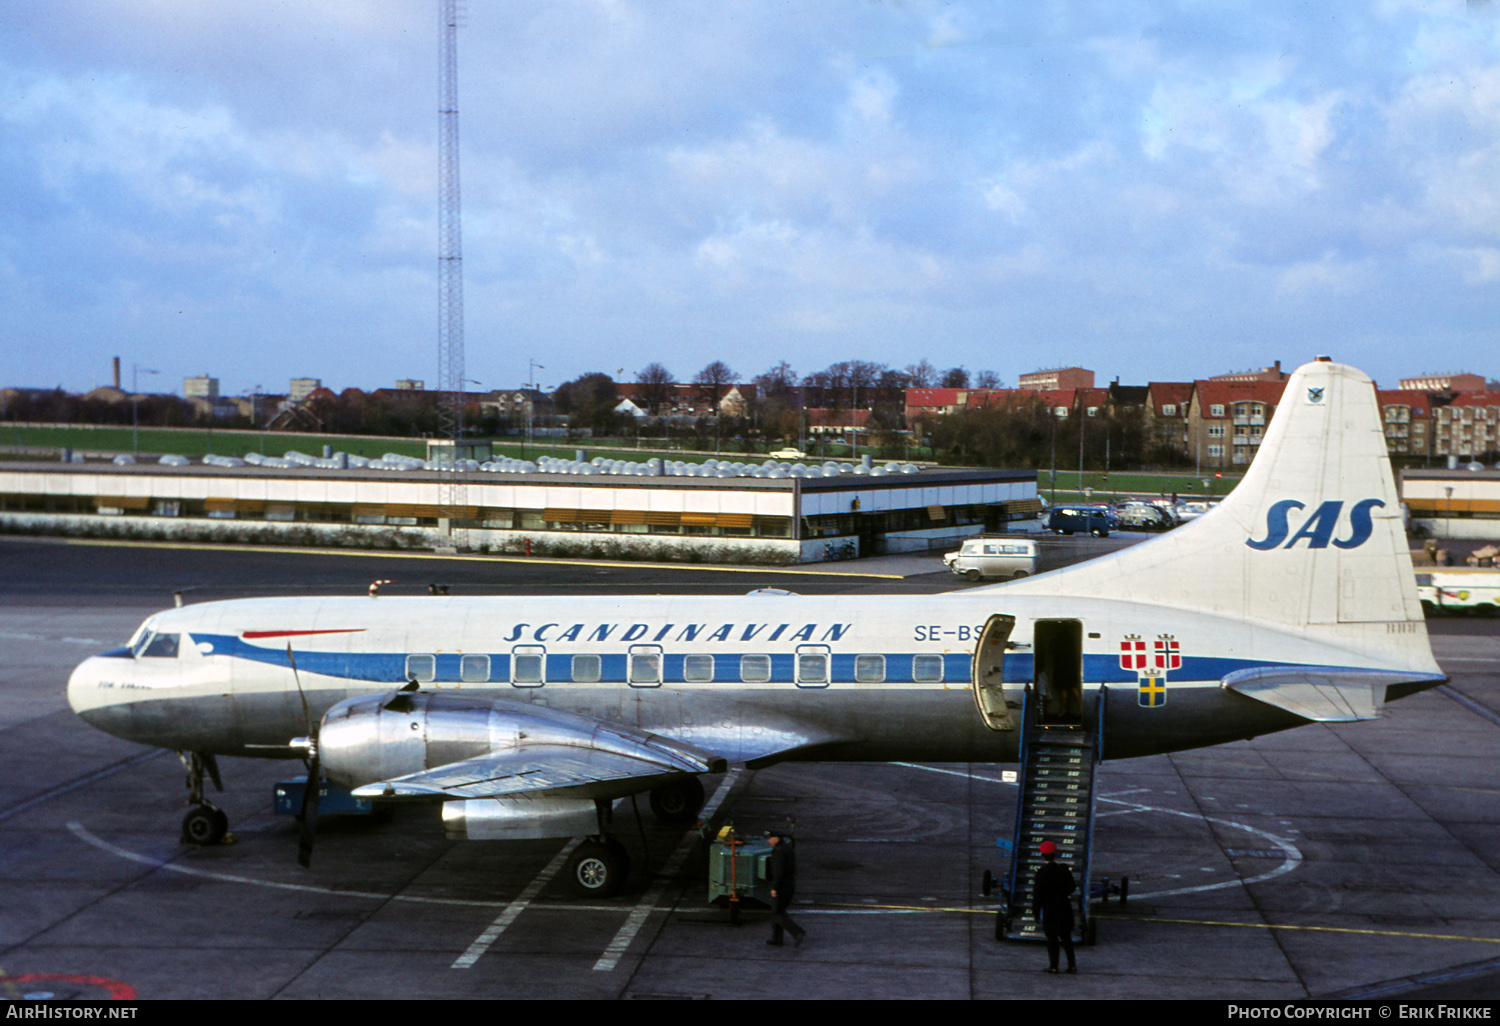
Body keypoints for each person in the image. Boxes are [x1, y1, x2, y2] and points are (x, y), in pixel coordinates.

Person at [1031, 840, 1076, 974]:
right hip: (1064, 908)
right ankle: (1072, 966)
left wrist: (1036, 912)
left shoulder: (1041, 873)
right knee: (1066, 938)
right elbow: (1072, 887)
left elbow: (1037, 895)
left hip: (1050, 910)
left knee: (1052, 939)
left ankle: (1054, 966)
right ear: (1055, 854)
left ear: (1042, 855)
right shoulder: (1063, 870)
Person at [765, 830, 806, 948]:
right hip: (789, 884)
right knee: (778, 911)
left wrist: (774, 887)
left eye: (770, 838)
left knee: (776, 913)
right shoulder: (787, 848)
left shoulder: (779, 852)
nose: (768, 841)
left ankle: (797, 932)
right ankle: (777, 938)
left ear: (776, 838)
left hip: (782, 886)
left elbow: (779, 872)